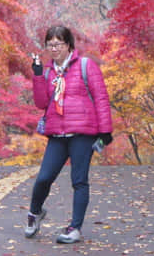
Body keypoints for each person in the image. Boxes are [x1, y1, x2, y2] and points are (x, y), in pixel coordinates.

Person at [25, 25, 113, 244]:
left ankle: (75, 228)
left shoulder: (86, 66)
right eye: (50, 44)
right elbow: (41, 103)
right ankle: (35, 213)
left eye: (58, 44)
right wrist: (37, 75)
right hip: (57, 134)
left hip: (83, 132)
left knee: (79, 180)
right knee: (44, 177)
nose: (54, 48)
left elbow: (101, 98)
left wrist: (105, 131)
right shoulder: (47, 72)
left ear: (69, 45)